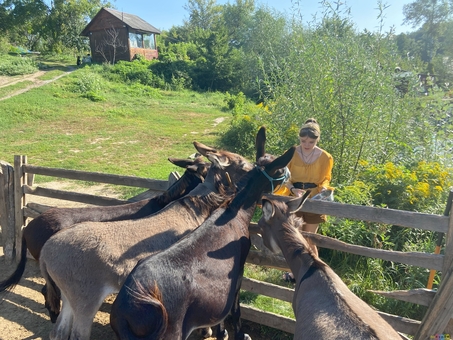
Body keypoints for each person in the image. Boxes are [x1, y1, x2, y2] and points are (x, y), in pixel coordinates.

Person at [280, 118, 334, 282]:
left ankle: (316, 273)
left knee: (310, 238)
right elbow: (284, 177)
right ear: (299, 138)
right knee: (296, 238)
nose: (307, 144)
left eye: (311, 141)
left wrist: (324, 187)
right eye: (304, 141)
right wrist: (292, 189)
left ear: (317, 140)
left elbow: (326, 178)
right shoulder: (291, 153)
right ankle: (296, 273)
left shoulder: (325, 157)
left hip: (313, 199)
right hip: (294, 198)